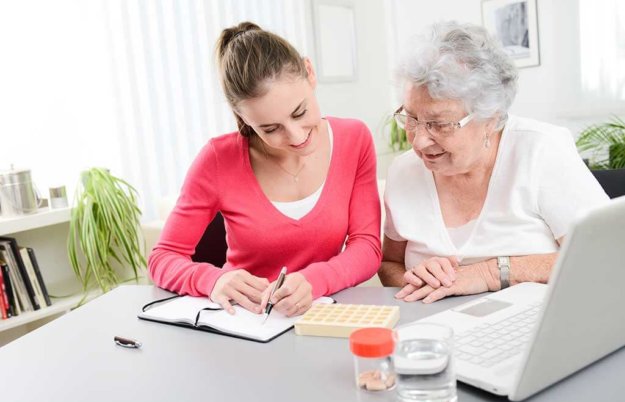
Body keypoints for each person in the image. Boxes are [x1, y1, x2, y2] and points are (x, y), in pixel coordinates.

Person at [149, 22, 381, 317]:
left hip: (324, 317)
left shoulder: (354, 139)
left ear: (309, 73)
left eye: (300, 112)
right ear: (242, 116)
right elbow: (163, 258)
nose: (296, 136)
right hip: (245, 325)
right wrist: (214, 279)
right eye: (270, 129)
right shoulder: (217, 160)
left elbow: (368, 247)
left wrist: (314, 281)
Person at [379, 21, 608, 303]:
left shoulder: (540, 150)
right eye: (412, 118)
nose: (418, 141)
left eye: (439, 124)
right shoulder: (403, 172)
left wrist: (489, 273)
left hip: (538, 329)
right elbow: (389, 264)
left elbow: (605, 255)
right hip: (438, 331)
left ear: (490, 118)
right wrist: (414, 279)